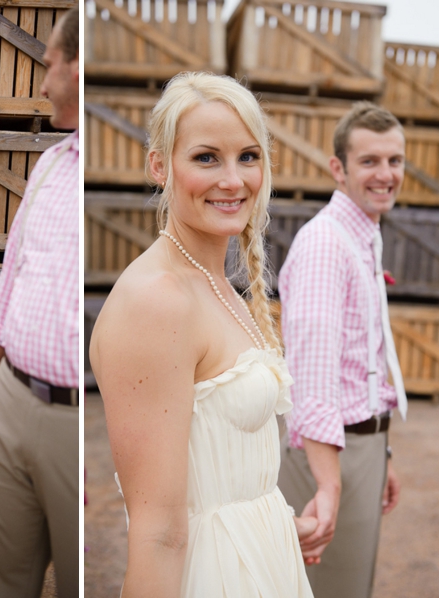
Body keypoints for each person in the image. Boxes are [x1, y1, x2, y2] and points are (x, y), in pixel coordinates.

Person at [89, 72, 316, 597]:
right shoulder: (158, 301)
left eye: (249, 156)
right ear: (159, 165)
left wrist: (270, 524)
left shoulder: (216, 285)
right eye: (207, 158)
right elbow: (160, 534)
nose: (234, 180)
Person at [0, 7, 79, 597]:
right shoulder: (52, 164)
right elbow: (13, 273)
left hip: (79, 421)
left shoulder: (140, 174)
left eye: (50, 65)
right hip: (10, 399)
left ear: (80, 70)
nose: (42, 81)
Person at [276, 101, 408, 598]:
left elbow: (363, 363)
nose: (386, 174)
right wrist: (329, 485)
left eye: (394, 160)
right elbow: (313, 377)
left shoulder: (363, 235)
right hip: (328, 454)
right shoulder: (325, 245)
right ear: (339, 168)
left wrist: (383, 452)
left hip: (363, 446)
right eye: (369, 161)